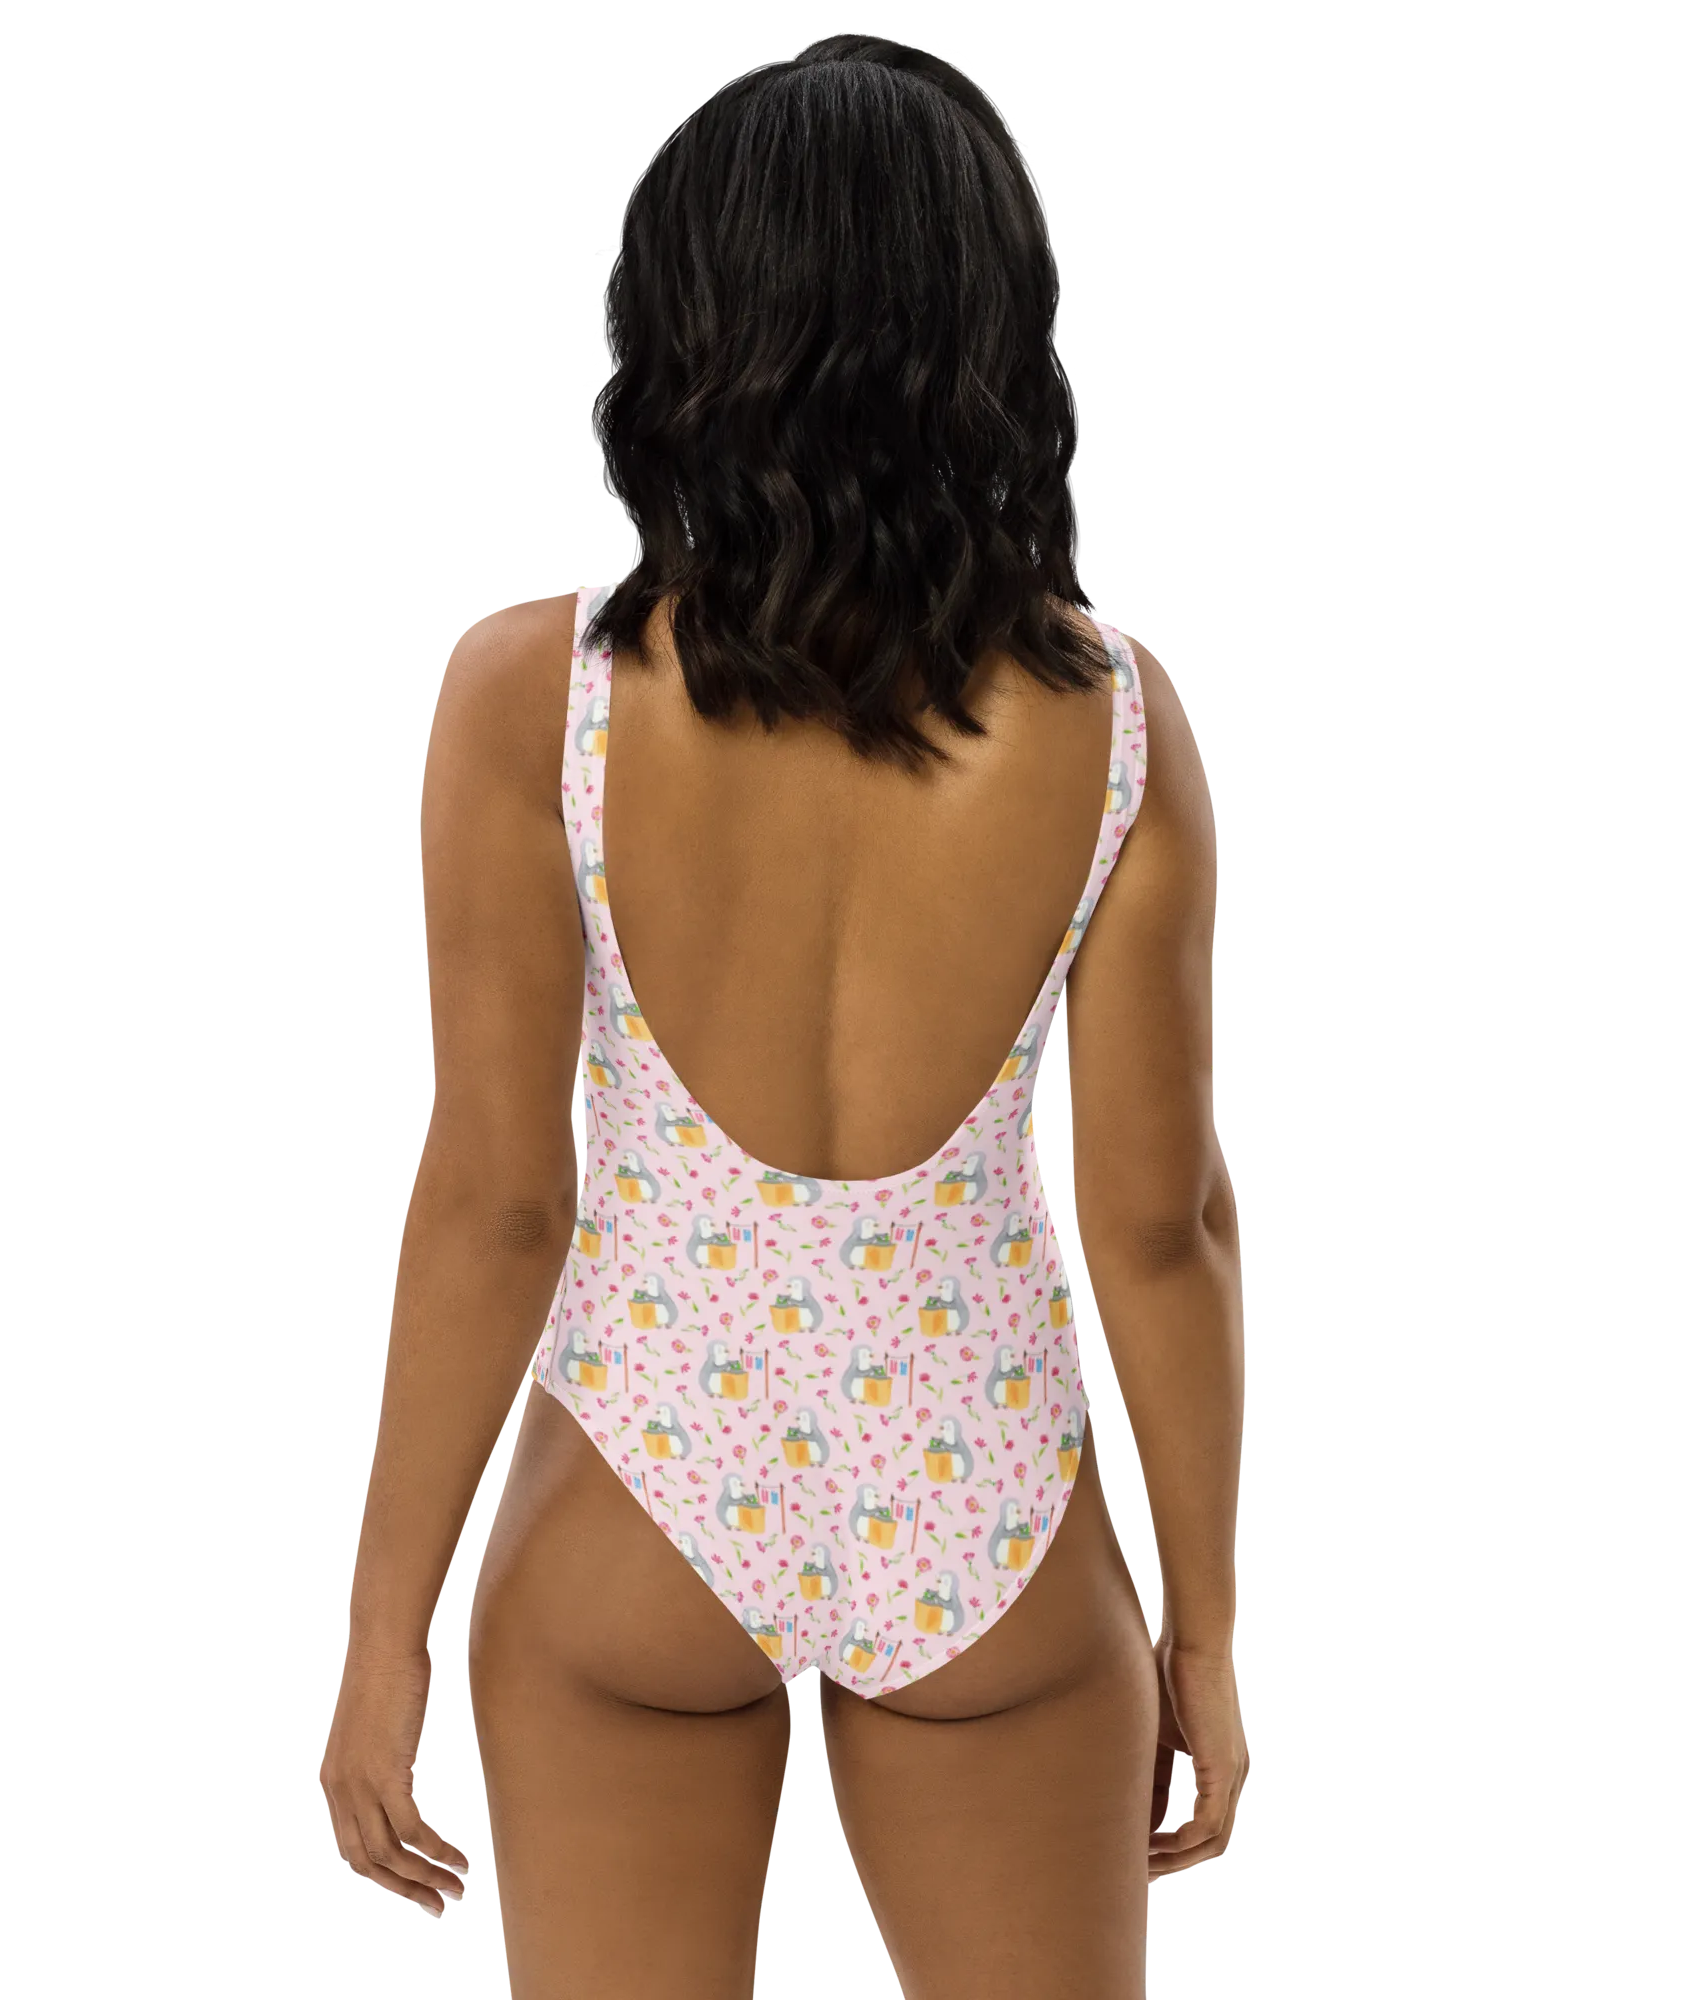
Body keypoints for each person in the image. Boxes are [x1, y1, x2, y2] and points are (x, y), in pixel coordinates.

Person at [319, 30, 1245, 1997]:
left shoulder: (530, 697)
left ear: (688, 321)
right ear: (992, 338)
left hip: (639, 1513)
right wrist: (1210, 1632)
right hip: (984, 1524)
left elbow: (496, 1197)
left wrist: (381, 1634)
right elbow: (1162, 1229)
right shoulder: (1111, 725)